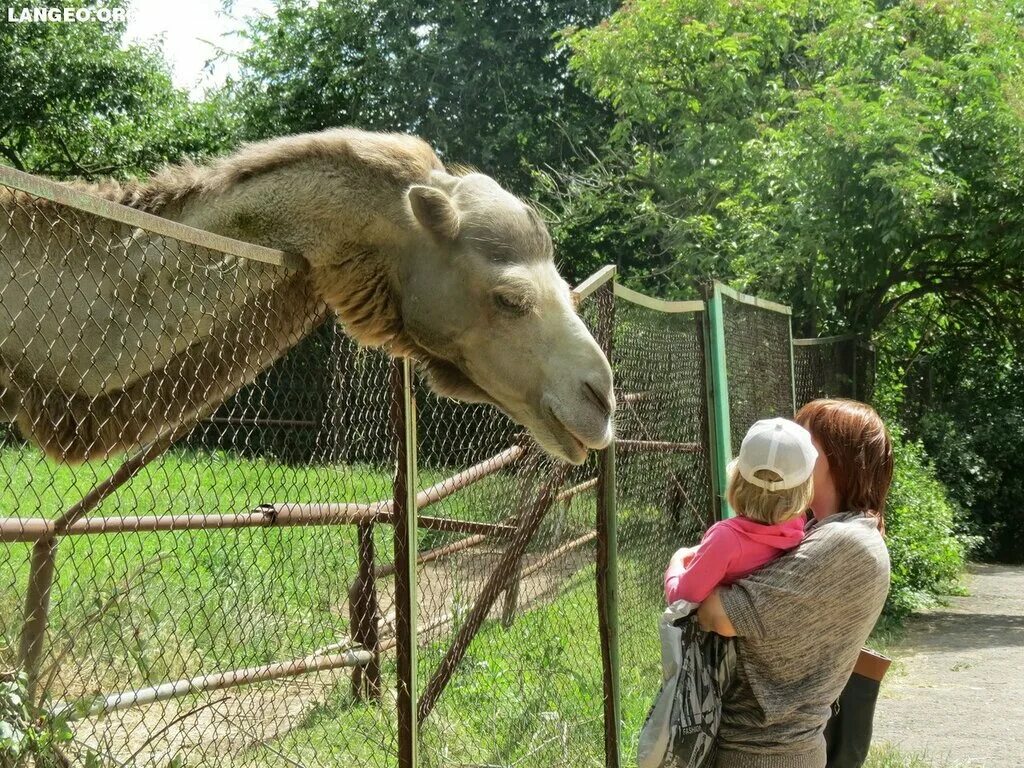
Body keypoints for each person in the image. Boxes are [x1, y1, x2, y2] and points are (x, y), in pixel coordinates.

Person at [696, 399, 893, 768]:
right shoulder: (817, 531)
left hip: (764, 753)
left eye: (803, 441)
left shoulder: (846, 544)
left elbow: (717, 613)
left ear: (835, 458)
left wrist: (685, 565)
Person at [664, 418, 817, 605]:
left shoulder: (725, 538)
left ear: (737, 480)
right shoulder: (796, 527)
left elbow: (680, 598)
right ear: (804, 490)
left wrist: (676, 561)